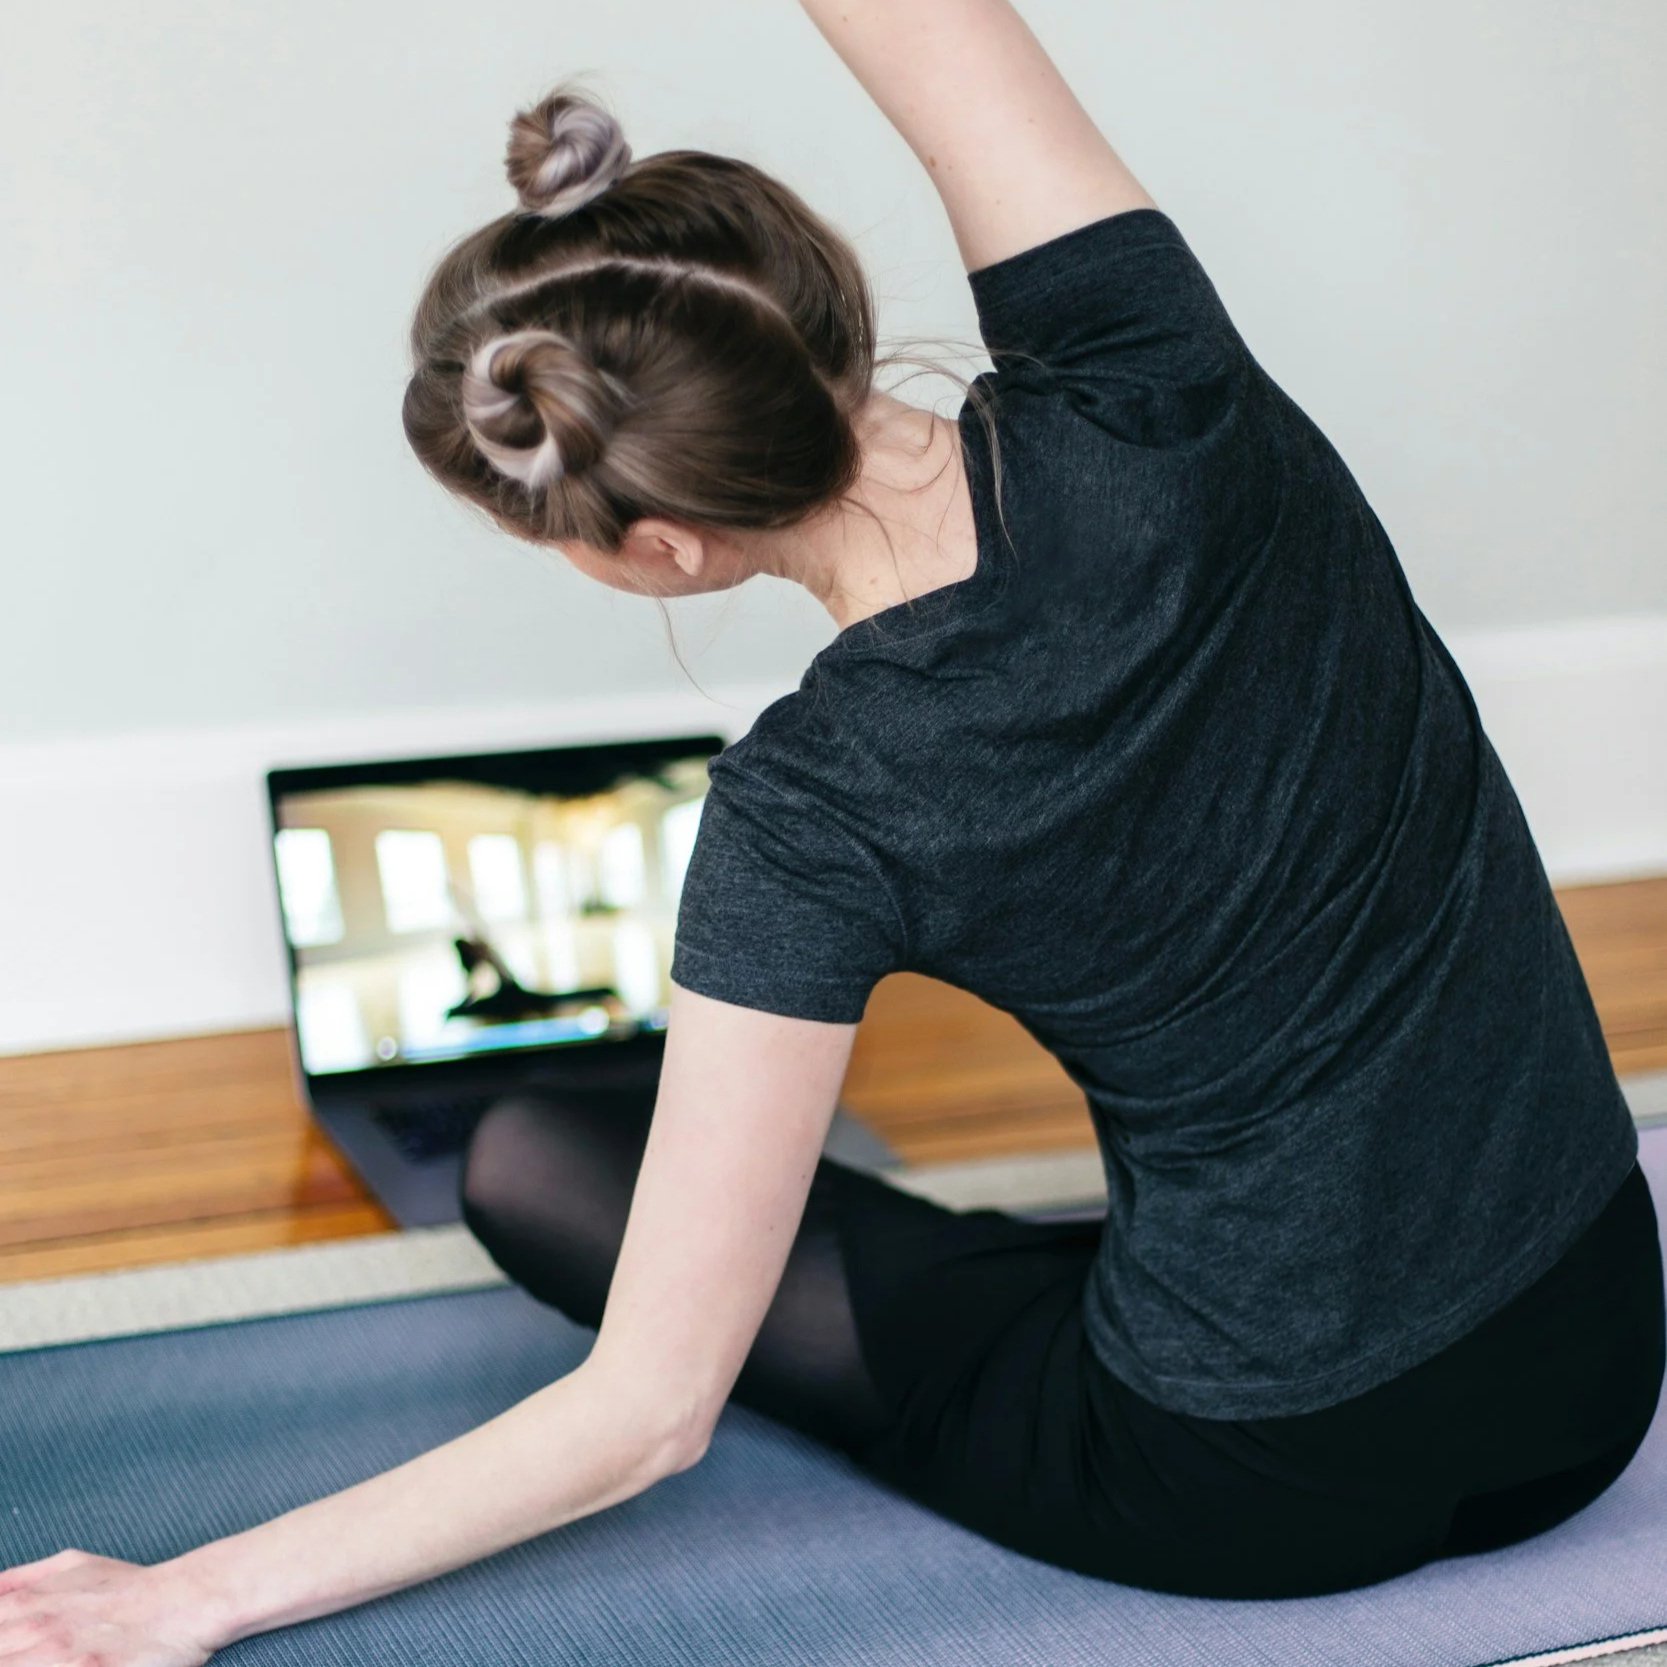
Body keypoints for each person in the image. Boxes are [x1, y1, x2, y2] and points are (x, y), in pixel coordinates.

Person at [4, 3, 1661, 1656]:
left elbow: (648, 1413)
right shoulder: (1161, 373)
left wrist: (180, 1596)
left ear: (658, 550)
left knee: (533, 1160)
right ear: (818, 301)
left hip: (1252, 1476)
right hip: (1595, 1357)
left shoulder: (814, 812)